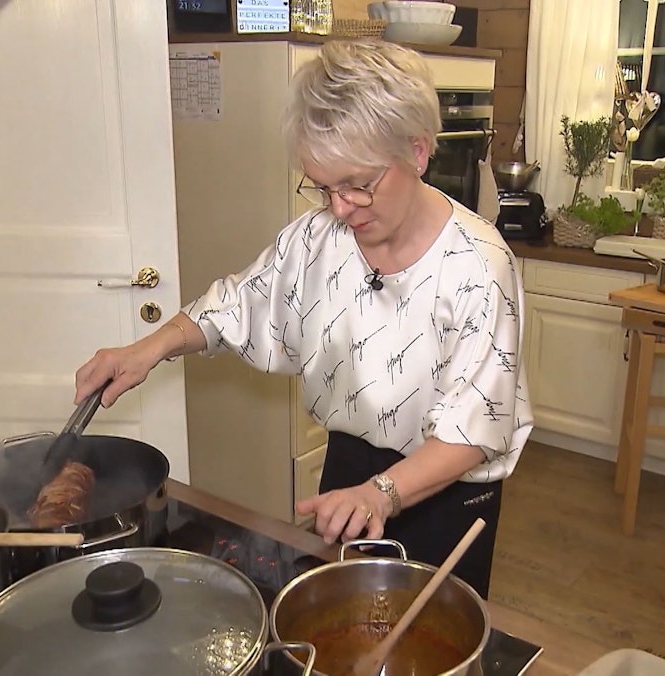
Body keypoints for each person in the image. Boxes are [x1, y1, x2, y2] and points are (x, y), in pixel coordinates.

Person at [73, 39, 533, 600]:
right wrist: (146, 350)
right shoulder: (318, 239)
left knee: (432, 643)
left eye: (358, 184)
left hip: (445, 490)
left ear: (417, 151)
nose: (340, 208)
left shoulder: (480, 267)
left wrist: (382, 493)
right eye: (323, 186)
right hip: (350, 468)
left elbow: (475, 431)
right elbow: (236, 303)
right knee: (340, 624)